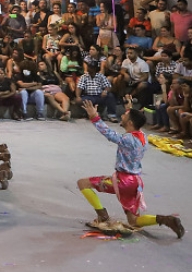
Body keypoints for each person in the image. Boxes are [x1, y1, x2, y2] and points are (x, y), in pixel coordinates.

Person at [76, 100, 184, 238]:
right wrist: (131, 109)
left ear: (130, 123)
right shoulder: (143, 136)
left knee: (83, 183)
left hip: (123, 181)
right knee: (133, 221)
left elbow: (109, 133)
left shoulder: (127, 139)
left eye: (125, 116)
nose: (122, 116)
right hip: (135, 182)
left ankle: (102, 216)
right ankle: (165, 219)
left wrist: (94, 117)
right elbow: (134, 122)